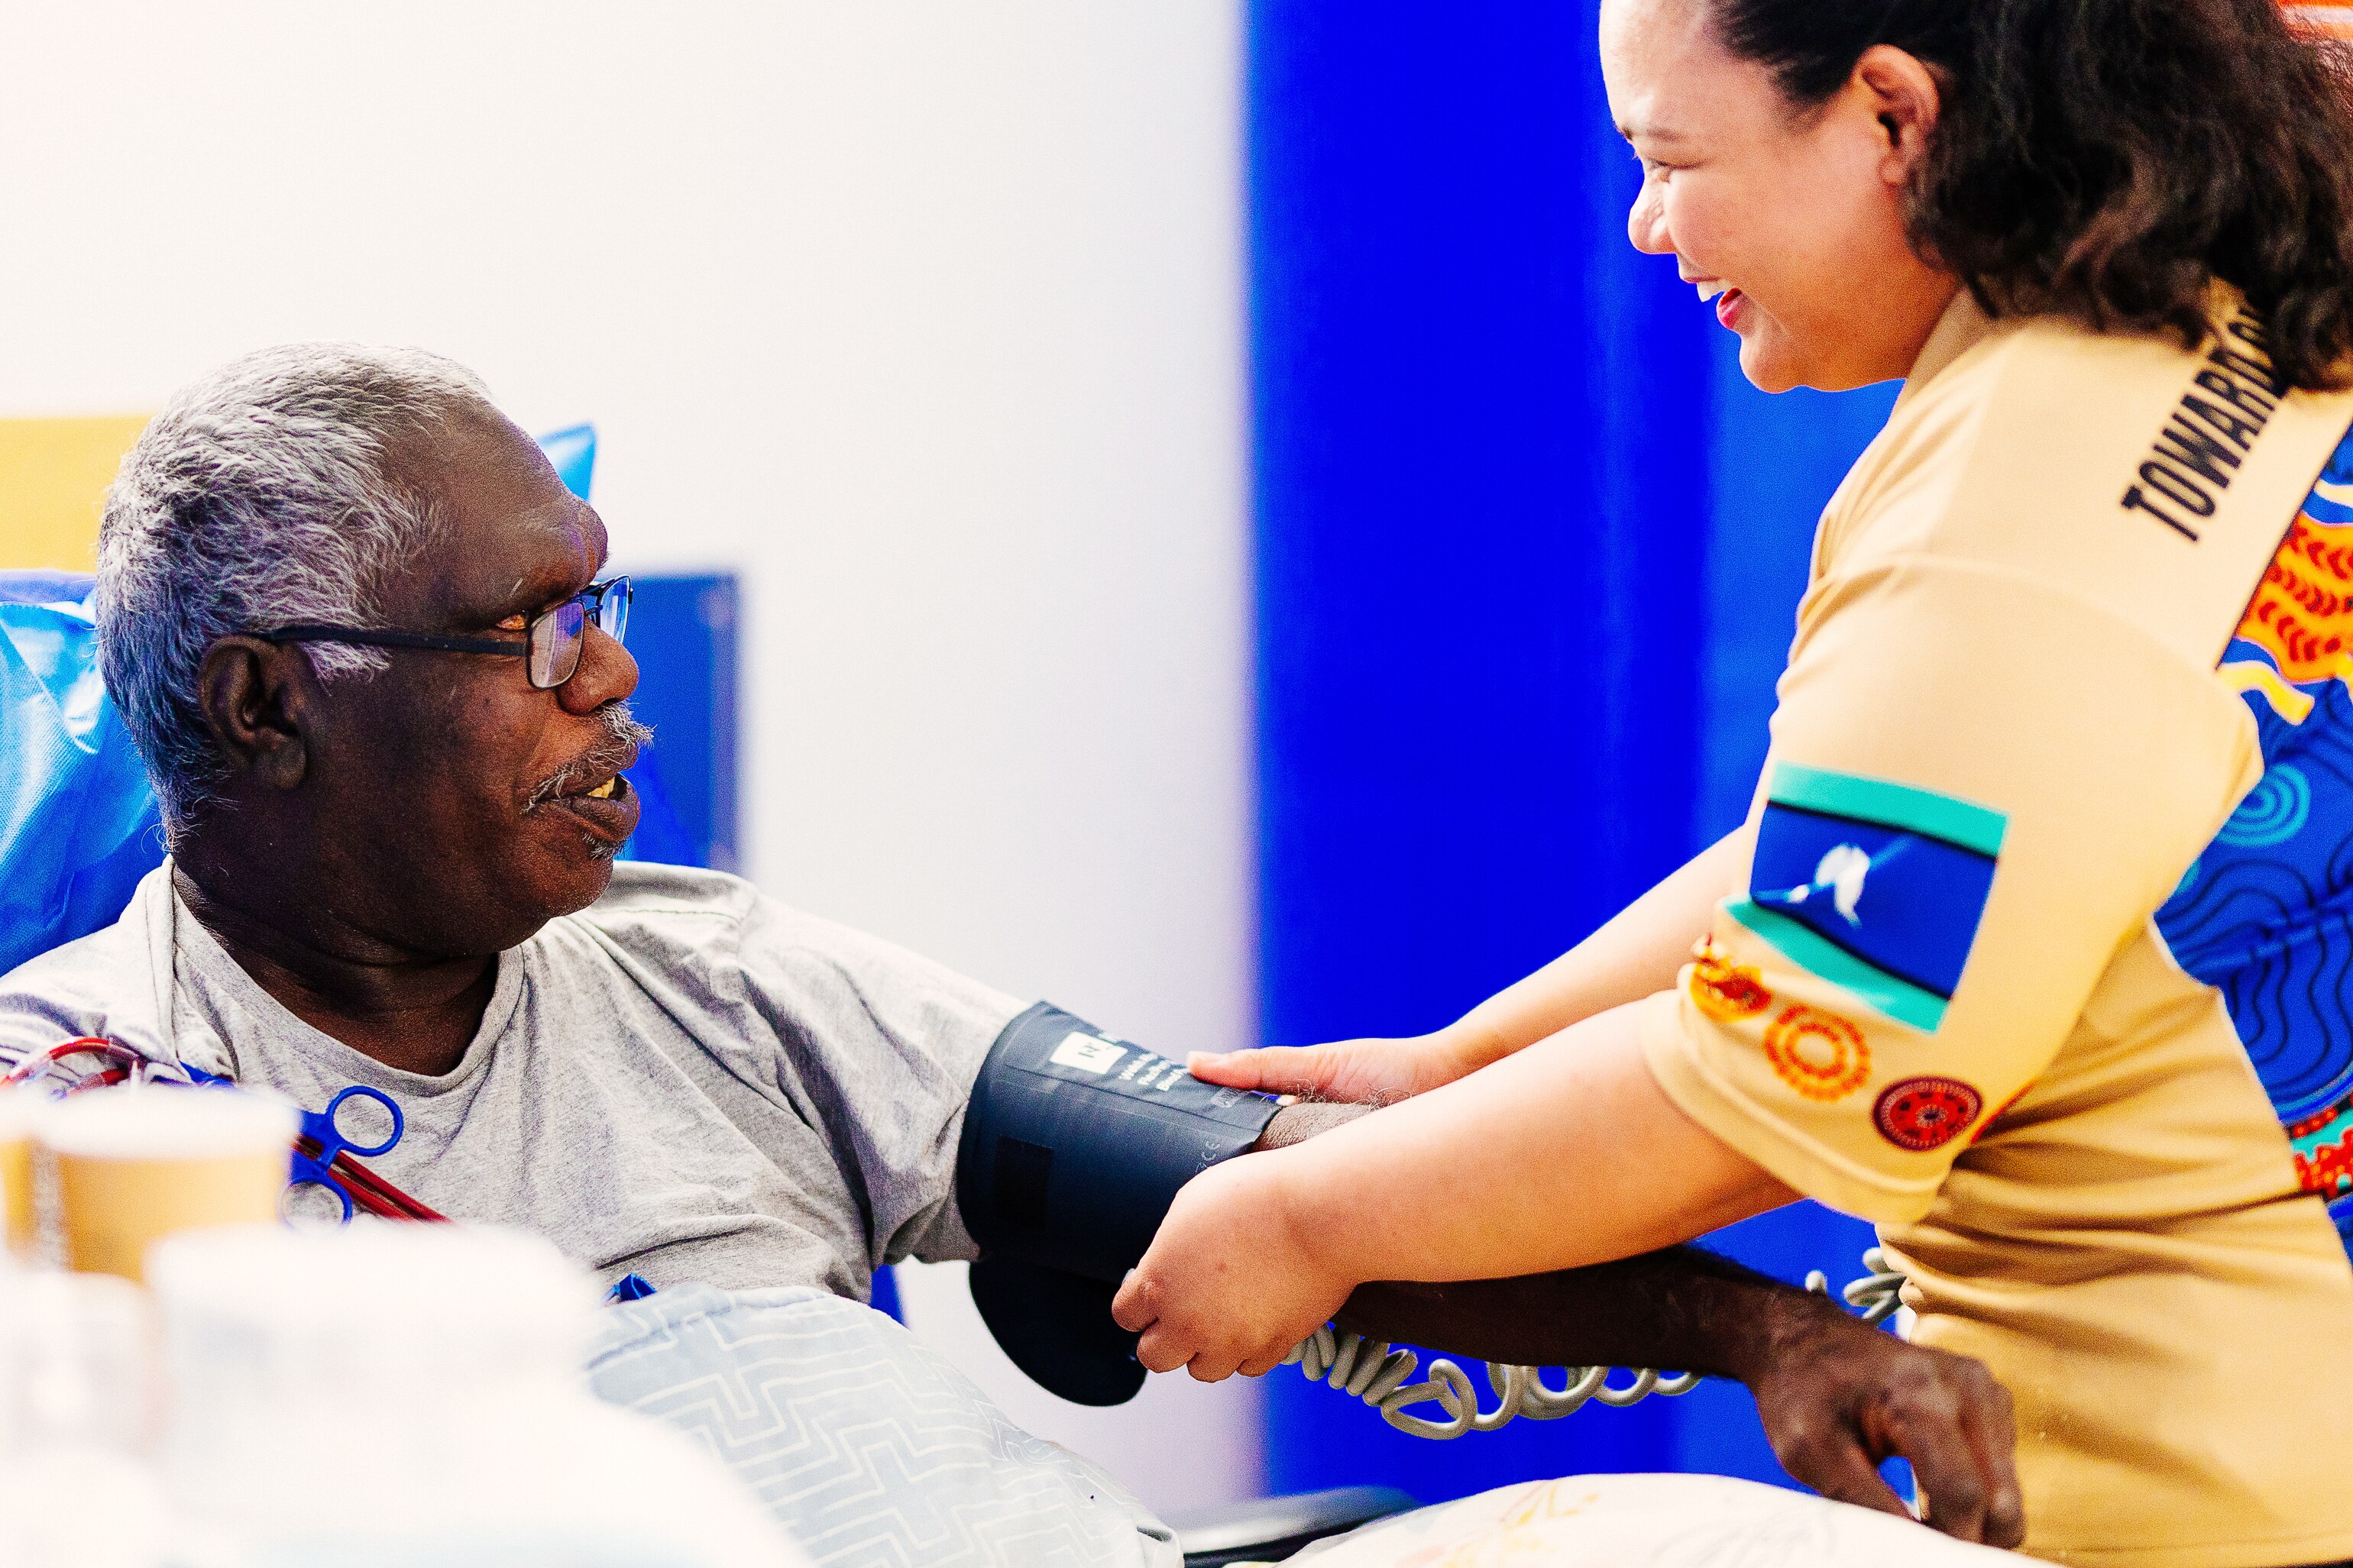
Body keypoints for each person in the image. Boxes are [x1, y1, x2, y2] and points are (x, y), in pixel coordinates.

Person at [0, 344, 2022, 1538]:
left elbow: (1278, 1195)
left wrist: (1774, 1333)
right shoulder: (74, 1112)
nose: (617, 681)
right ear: (268, 703)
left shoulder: (730, 985)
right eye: (537, 634)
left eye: (607, 613)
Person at [1111, 1, 2353, 1564]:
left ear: (1895, 116)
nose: (1642, 225)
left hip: (2220, 1502)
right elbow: (1888, 848)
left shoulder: (2019, 520)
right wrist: (1468, 1062)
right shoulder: (2231, 312)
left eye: (1670, 156)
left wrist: (1301, 1222)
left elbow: (1770, 1079)